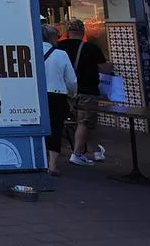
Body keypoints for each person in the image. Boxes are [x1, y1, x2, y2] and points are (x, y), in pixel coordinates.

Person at [57, 18, 112, 166]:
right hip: (87, 90)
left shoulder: (58, 47)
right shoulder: (91, 48)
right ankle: (77, 154)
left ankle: (93, 151)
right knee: (84, 122)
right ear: (82, 32)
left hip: (66, 91)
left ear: (67, 32)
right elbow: (104, 68)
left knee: (78, 122)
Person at [41, 24, 77, 175]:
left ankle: (39, 160)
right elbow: (71, 80)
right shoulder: (61, 54)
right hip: (57, 95)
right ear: (52, 37)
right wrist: (72, 94)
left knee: (40, 127)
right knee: (55, 128)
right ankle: (52, 164)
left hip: (38, 95)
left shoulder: (30, 51)